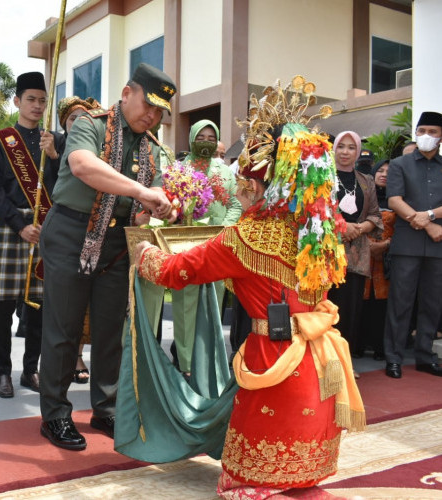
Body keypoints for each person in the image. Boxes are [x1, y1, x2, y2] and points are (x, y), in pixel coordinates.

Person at [134, 77, 364, 496]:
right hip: (320, 365)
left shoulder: (246, 237)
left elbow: (174, 272)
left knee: (244, 484)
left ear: (259, 187)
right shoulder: (323, 230)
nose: (240, 196)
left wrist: (145, 252)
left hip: (273, 364)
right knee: (300, 473)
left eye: (242, 187)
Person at [38, 63, 176, 451]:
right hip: (71, 234)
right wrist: (142, 192)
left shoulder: (152, 148)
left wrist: (163, 206)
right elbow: (82, 164)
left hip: (117, 245)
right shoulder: (90, 124)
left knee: (110, 329)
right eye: (147, 105)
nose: (151, 115)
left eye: (159, 112)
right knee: (63, 331)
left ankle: (106, 406)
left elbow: (156, 194)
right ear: (126, 93)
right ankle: (55, 414)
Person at [0, 72, 65, 399]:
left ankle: (30, 369)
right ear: (17, 101)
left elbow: (64, 187)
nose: (36, 106)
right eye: (30, 99)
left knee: (39, 305)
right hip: (10, 225)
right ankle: (2, 371)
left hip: (45, 225)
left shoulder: (54, 141)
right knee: (3, 304)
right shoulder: (0, 139)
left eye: (42, 101)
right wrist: (20, 226)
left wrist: (55, 157)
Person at [171, 119, 241, 379]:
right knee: (185, 304)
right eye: (202, 137)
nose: (207, 142)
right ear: (191, 138)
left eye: (213, 138)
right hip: (187, 247)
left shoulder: (224, 172)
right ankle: (185, 363)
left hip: (218, 247)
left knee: (213, 302)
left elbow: (235, 204)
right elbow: (169, 204)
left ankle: (210, 360)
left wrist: (222, 229)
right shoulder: (180, 169)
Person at [383, 111, 442, 379]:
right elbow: (394, 199)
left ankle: (424, 356)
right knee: (401, 302)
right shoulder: (399, 164)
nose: (426, 136)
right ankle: (393, 357)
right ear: (415, 133)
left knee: (432, 303)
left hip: (437, 245)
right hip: (407, 243)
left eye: (433, 131)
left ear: (441, 137)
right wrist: (426, 223)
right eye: (422, 131)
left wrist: (429, 216)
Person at [56, 95, 103, 384]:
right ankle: (65, 358)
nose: (79, 123)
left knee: (88, 302)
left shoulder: (97, 146)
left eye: (83, 118)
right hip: (60, 231)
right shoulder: (55, 147)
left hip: (93, 231)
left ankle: (81, 354)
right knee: (64, 304)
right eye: (72, 119)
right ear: (64, 124)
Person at [327, 131, 382, 362]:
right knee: (325, 307)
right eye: (341, 146)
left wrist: (359, 228)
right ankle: (322, 362)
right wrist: (341, 226)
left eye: (351, 147)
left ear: (357, 152)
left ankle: (345, 363)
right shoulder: (321, 177)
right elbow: (315, 212)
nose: (345, 152)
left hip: (357, 253)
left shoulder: (366, 180)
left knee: (350, 309)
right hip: (327, 252)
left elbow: (375, 216)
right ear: (334, 149)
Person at [362, 159, 394, 361]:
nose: (383, 174)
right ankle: (359, 344)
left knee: (382, 305)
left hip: (387, 260)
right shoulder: (364, 196)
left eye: (389, 172)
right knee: (361, 301)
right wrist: (367, 245)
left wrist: (385, 245)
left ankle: (380, 347)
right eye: (380, 170)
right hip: (362, 255)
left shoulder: (399, 199)